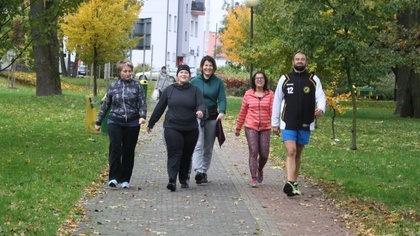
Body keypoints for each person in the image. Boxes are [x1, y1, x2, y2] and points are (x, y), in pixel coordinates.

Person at [271, 51, 326, 196]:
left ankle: (294, 183)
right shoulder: (285, 78)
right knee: (291, 151)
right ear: (293, 62)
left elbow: (320, 96)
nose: (300, 61)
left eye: (302, 59)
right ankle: (289, 182)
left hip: (306, 121)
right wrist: (274, 123)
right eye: (297, 59)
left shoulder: (313, 79)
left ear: (306, 62)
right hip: (287, 121)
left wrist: (321, 108)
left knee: (298, 154)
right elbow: (277, 101)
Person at [147, 64, 207, 192]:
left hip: (191, 128)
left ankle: (184, 179)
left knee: (186, 154)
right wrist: (151, 123)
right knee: (174, 153)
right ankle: (172, 180)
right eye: (181, 73)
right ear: (177, 75)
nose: (184, 75)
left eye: (186, 73)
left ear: (189, 76)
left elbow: (201, 104)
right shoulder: (170, 90)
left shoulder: (195, 90)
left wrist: (201, 111)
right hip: (172, 127)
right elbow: (160, 107)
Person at [95, 59, 147, 189]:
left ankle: (125, 179)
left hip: (132, 122)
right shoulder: (113, 86)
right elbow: (106, 104)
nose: (128, 73)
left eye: (130, 71)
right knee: (115, 148)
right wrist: (99, 121)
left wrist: (142, 116)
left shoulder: (137, 86)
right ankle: (113, 177)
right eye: (125, 71)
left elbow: (142, 102)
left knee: (128, 150)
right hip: (115, 120)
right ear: (120, 72)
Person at [191, 55, 227, 185]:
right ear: (202, 67)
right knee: (198, 144)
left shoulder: (218, 82)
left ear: (214, 68)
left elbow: (222, 98)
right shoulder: (195, 81)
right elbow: (190, 97)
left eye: (210, 65)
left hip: (212, 116)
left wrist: (222, 111)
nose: (208, 68)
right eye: (206, 65)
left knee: (208, 147)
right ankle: (198, 171)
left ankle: (204, 171)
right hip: (198, 116)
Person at [235, 71, 274, 187]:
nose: (259, 80)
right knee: (253, 151)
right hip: (251, 126)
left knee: (264, 154)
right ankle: (253, 178)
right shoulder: (248, 94)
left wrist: (276, 125)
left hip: (265, 127)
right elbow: (243, 111)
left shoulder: (270, 94)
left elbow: (273, 111)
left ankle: (260, 169)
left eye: (261, 78)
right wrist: (238, 127)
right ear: (254, 80)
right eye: (257, 78)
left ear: (265, 80)